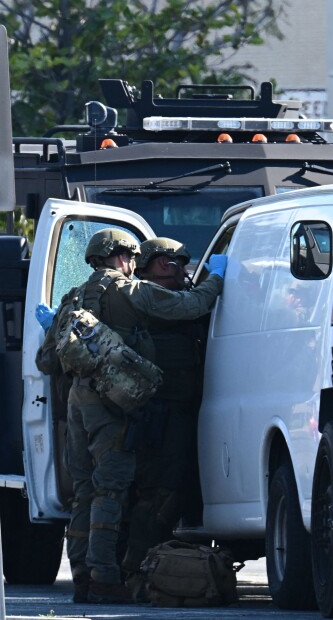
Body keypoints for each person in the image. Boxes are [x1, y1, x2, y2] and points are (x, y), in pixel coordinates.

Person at [38, 228, 227, 604]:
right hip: (111, 400)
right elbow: (189, 307)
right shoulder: (127, 290)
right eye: (130, 257)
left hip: (78, 399)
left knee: (83, 492)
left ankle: (81, 578)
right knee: (111, 488)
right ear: (119, 256)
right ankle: (105, 578)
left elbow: (45, 360)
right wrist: (216, 279)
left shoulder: (72, 298)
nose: (133, 264)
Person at [121, 237, 208, 600]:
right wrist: (214, 281)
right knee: (158, 493)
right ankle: (135, 573)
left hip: (180, 410)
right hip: (158, 413)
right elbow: (193, 305)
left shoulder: (170, 296)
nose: (179, 268)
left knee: (168, 490)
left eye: (182, 262)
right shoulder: (148, 297)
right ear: (149, 265)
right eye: (169, 262)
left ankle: (145, 569)